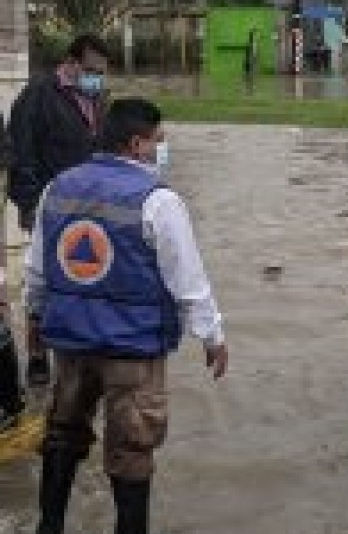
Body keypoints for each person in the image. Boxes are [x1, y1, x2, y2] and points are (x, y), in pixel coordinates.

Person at [25, 99, 228, 534]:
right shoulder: (158, 201)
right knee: (133, 448)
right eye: (158, 140)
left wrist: (34, 319)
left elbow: (37, 268)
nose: (162, 147)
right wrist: (212, 335)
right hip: (133, 352)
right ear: (137, 144)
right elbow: (188, 277)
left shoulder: (58, 187)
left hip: (72, 346)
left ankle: (49, 525)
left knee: (62, 434)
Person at [9, 34, 111, 388]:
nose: (96, 77)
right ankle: (37, 356)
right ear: (70, 63)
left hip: (90, 209)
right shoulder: (38, 95)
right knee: (39, 283)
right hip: (46, 208)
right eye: (90, 70)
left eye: (101, 72)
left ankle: (76, 351)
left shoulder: (99, 99)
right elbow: (20, 152)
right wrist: (29, 205)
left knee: (81, 277)